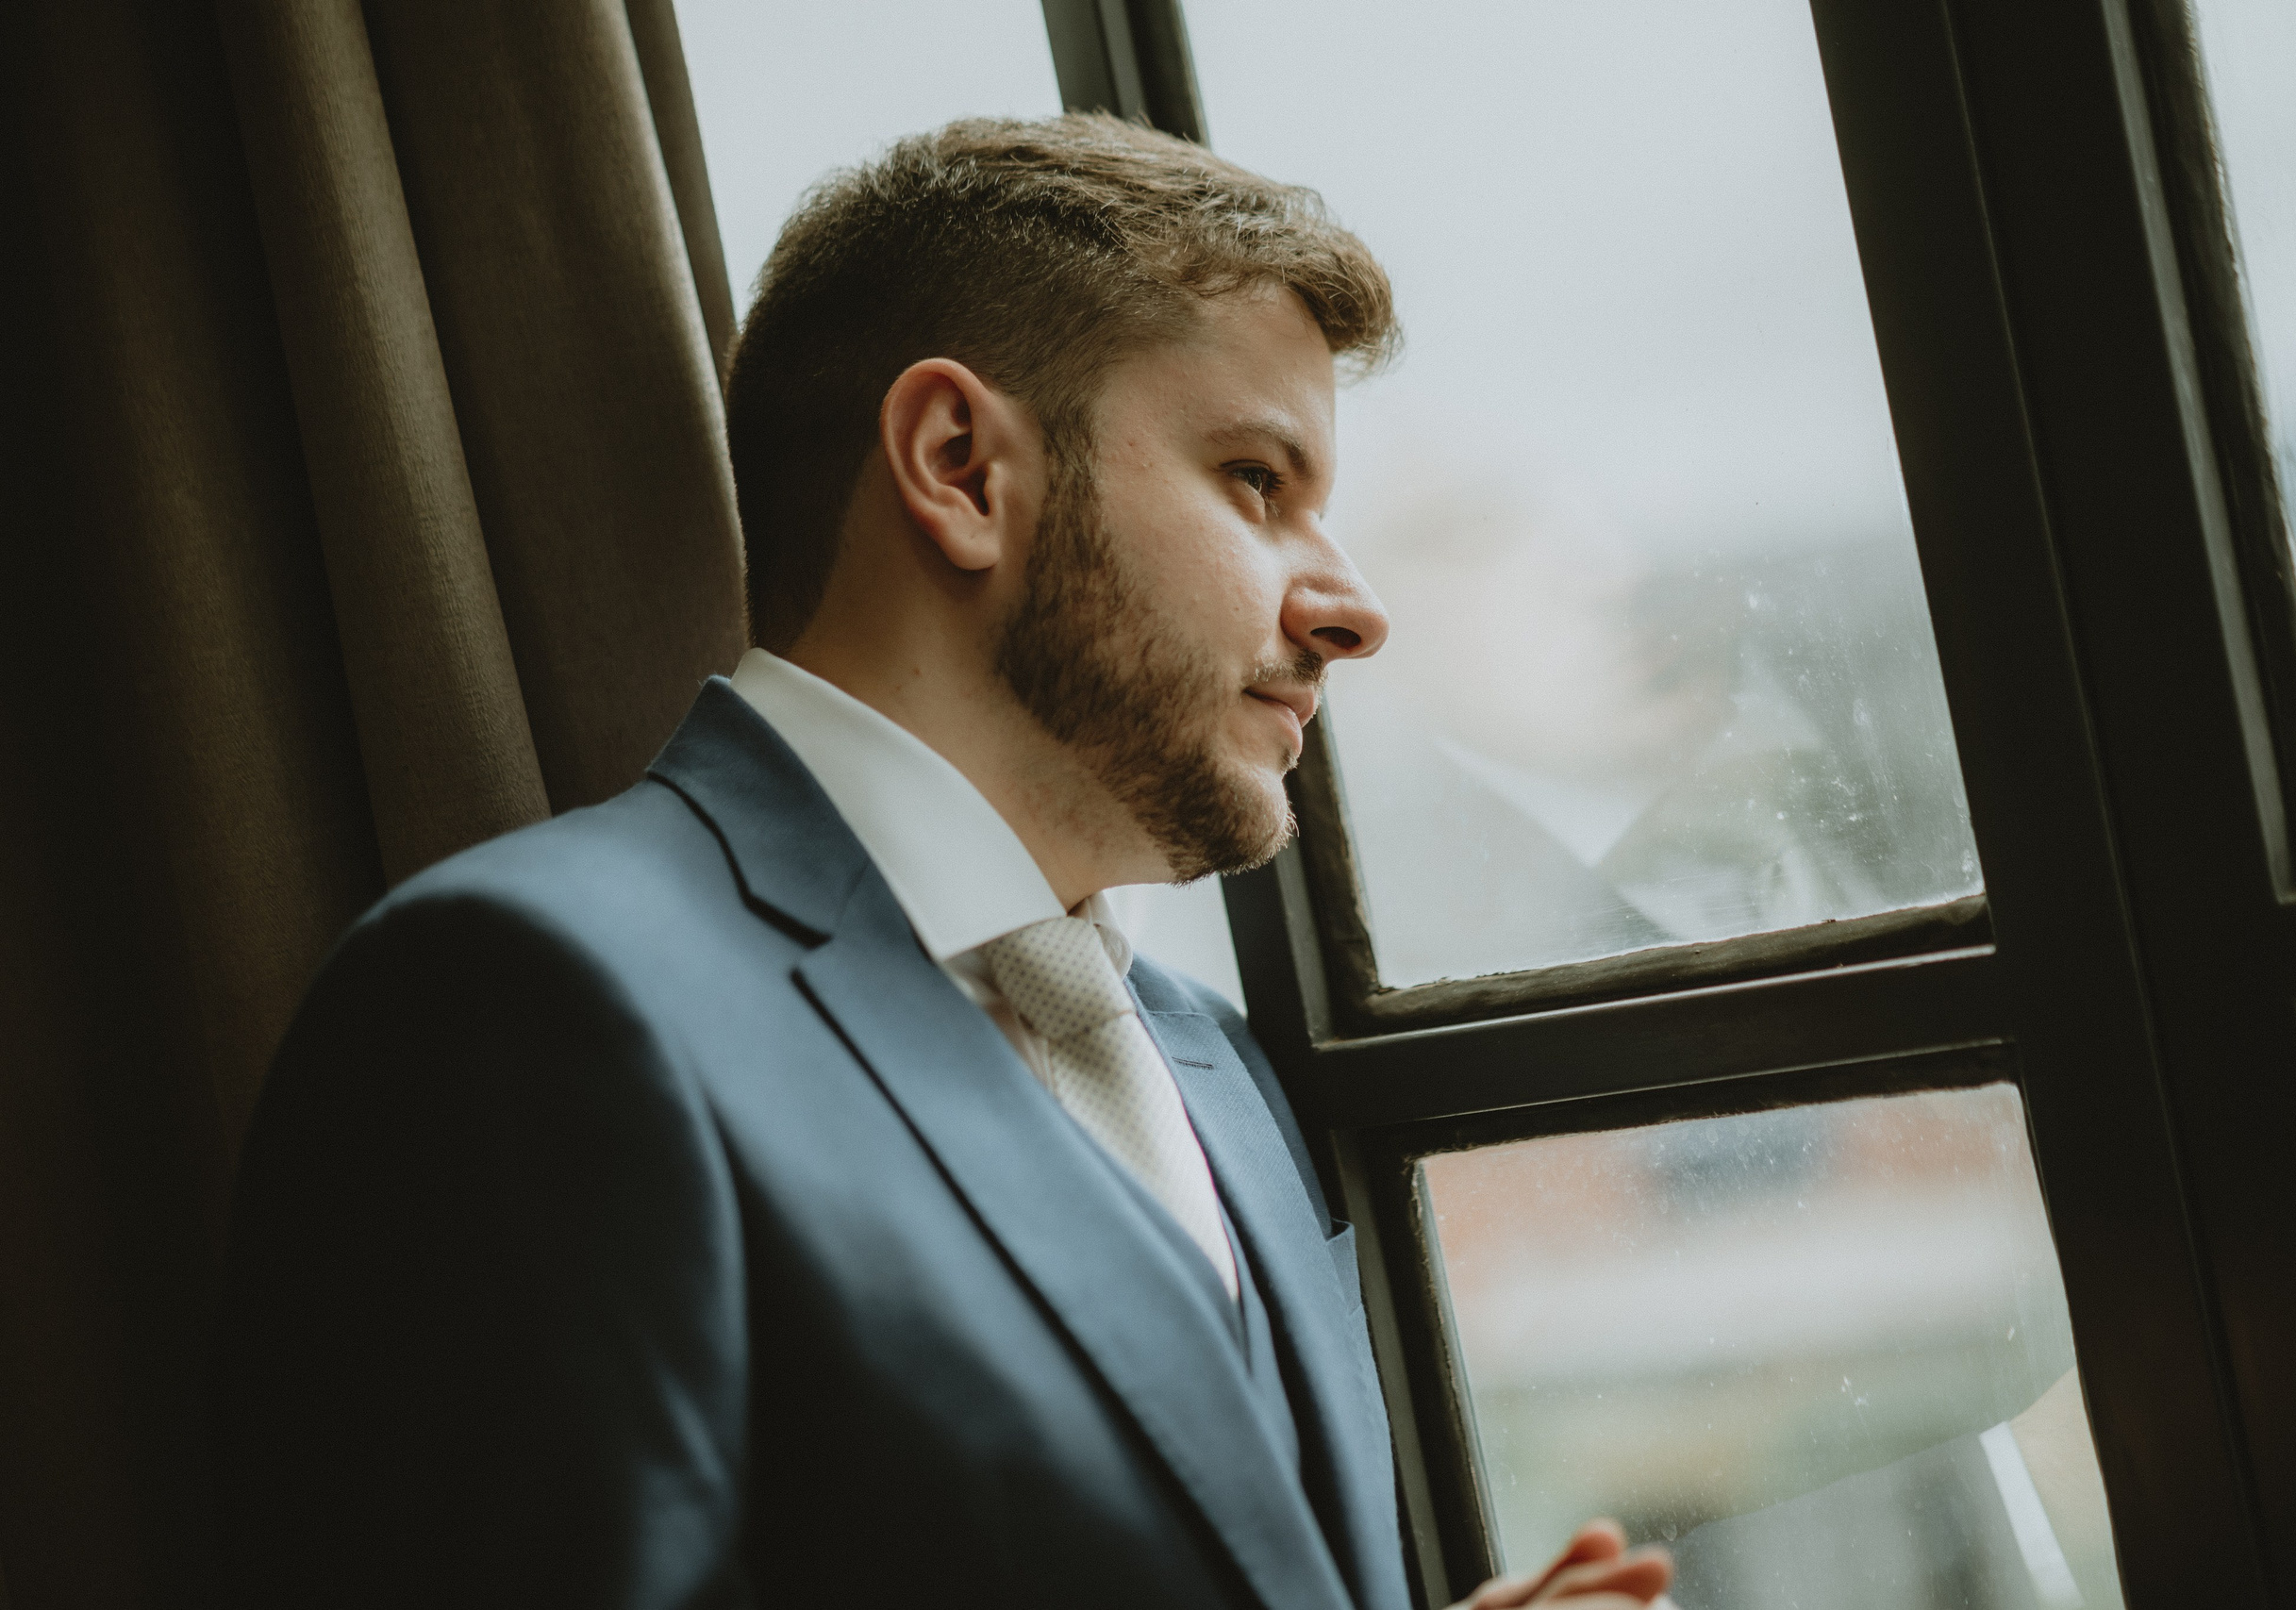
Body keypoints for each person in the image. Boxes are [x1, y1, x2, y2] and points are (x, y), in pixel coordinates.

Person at [213, 113, 1675, 1610]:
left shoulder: (1223, 1075)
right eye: (1255, 480)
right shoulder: (516, 1008)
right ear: (960, 466)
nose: (1354, 608)